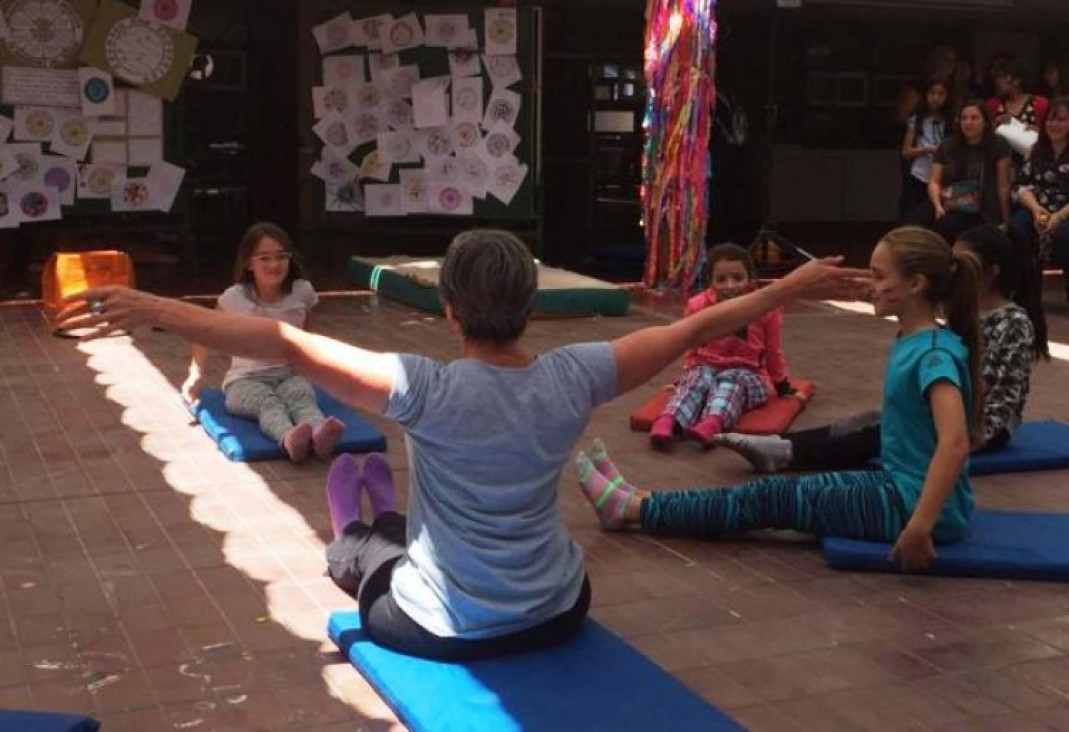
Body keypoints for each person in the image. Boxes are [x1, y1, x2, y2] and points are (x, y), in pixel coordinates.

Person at [56, 229, 867, 661]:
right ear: (530, 307)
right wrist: (790, 286)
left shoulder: (424, 388)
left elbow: (284, 345)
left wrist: (154, 307)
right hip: (558, 609)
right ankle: (376, 528)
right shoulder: (573, 375)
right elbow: (697, 324)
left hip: (446, 627)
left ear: (448, 311)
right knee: (407, 533)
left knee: (362, 556)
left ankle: (357, 532)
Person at [578, 226, 981, 572]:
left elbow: (955, 442)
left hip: (911, 507)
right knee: (776, 492)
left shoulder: (932, 354)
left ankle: (633, 510)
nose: (869, 284)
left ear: (916, 285)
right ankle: (639, 499)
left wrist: (920, 527)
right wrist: (865, 287)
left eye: (878, 276)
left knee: (766, 500)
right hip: (901, 491)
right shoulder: (919, 338)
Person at [714, 223, 1047, 474]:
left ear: (990, 273)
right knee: (864, 421)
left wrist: (959, 431)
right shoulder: (959, 313)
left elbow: (994, 398)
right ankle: (781, 445)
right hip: (948, 415)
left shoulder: (1012, 321)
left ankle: (787, 455)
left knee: (875, 435)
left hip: (982, 426)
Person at [181, 221, 345, 463]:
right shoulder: (233, 298)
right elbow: (205, 333)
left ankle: (320, 434)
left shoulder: (302, 292)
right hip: (243, 382)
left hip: (289, 374)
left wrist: (325, 370)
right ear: (249, 263)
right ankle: (289, 438)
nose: (274, 264)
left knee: (301, 396)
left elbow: (309, 333)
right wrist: (195, 374)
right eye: (265, 258)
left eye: (281, 256)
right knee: (269, 404)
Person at [650, 244, 793, 448]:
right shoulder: (698, 305)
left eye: (737, 278)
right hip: (707, 367)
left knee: (731, 383)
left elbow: (773, 350)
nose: (730, 285)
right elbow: (692, 345)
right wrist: (685, 376)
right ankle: (668, 421)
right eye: (721, 279)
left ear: (750, 278)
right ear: (710, 281)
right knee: (698, 380)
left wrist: (781, 384)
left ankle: (712, 423)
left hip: (748, 373)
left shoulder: (767, 308)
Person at [908, 99, 1011, 244]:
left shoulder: (998, 145)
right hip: (947, 199)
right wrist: (937, 206)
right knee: (915, 221)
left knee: (949, 225)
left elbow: (1003, 184)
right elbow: (934, 182)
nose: (968, 122)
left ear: (985, 121)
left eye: (974, 118)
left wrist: (1005, 218)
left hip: (980, 204)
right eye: (964, 118)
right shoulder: (947, 146)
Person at [1011, 96, 1069, 298]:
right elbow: (1021, 186)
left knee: (1064, 235)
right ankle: (1027, 293)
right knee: (1017, 228)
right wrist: (1036, 210)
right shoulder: (1036, 150)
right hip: (1038, 208)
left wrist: (1058, 217)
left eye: (1062, 120)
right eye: (1051, 120)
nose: (1055, 125)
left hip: (1065, 212)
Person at [901, 78, 950, 219]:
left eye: (941, 94)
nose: (936, 98)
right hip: (919, 175)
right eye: (932, 93)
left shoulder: (951, 122)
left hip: (943, 178)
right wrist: (928, 150)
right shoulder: (917, 120)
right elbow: (906, 151)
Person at [986, 57, 1049, 133]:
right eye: (996, 78)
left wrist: (1039, 133)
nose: (997, 82)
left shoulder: (1040, 104)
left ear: (1017, 80)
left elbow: (1051, 135)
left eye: (1001, 77)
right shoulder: (992, 105)